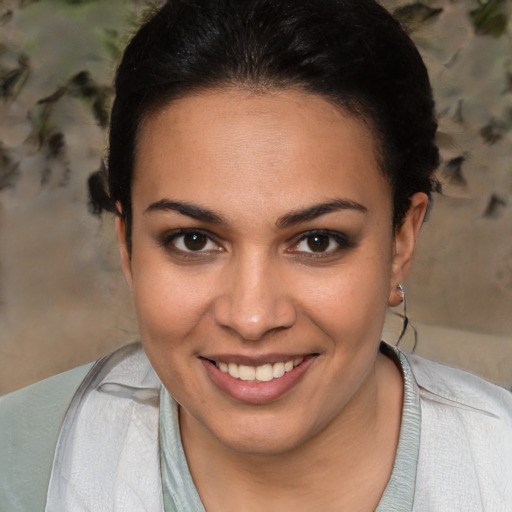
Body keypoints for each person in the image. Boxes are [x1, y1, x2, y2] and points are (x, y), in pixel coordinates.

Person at [1, 0, 511, 510]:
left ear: (401, 241)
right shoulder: (20, 472)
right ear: (128, 246)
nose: (251, 317)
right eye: (193, 240)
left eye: (317, 241)